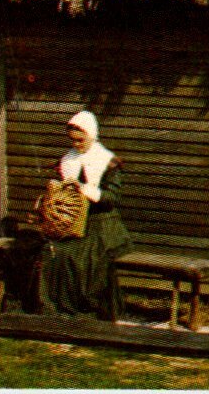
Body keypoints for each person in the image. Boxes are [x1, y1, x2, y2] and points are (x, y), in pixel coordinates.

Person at [36, 110, 133, 320]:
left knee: (81, 256)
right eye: (72, 140)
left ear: (91, 135)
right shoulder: (67, 160)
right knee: (54, 251)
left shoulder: (107, 161)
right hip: (73, 223)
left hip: (103, 224)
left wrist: (85, 190)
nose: (76, 144)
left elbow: (112, 198)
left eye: (80, 140)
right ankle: (56, 308)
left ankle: (88, 309)